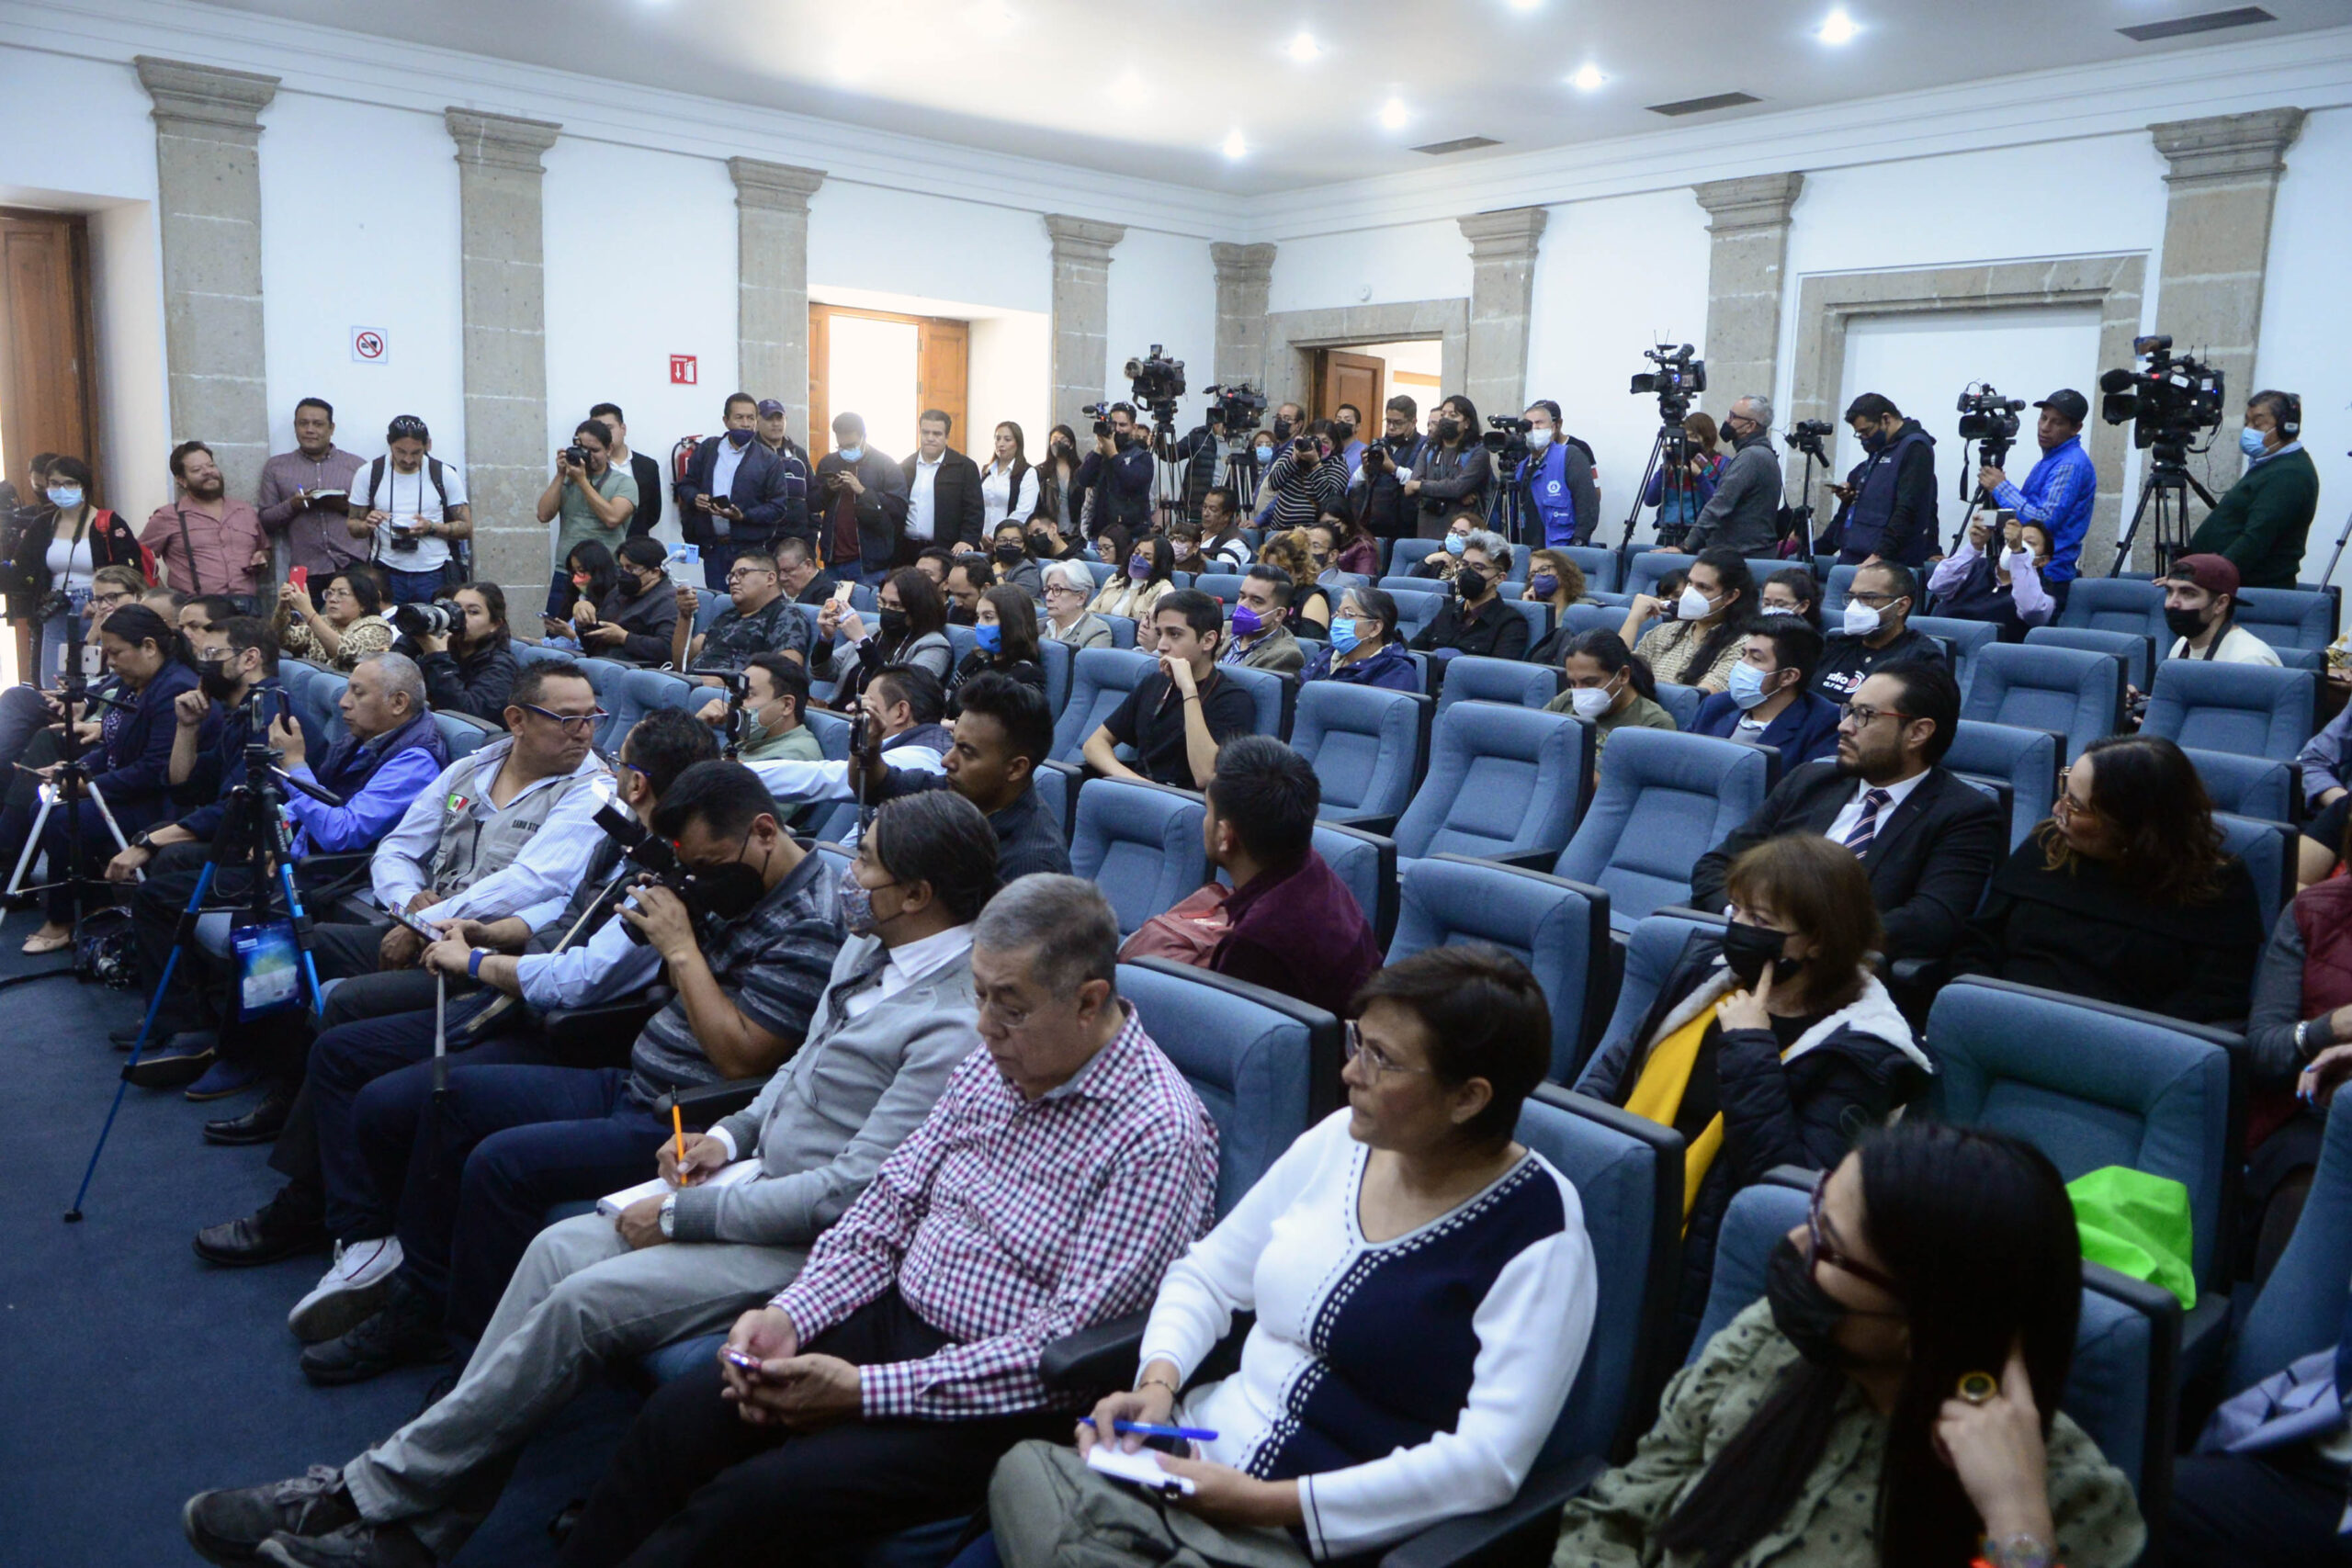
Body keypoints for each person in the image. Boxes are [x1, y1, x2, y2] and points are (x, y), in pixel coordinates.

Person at [184, 789, 1000, 1568]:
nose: (849, 879)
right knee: (549, 1251)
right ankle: (411, 1526)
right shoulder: (872, 945)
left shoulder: (956, 1020)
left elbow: (848, 1195)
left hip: (809, 1241)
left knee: (582, 1302)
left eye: (866, 867)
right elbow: (795, 1074)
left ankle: (369, 1495)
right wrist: (725, 1132)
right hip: (747, 1175)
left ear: (919, 893)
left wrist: (687, 1215)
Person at [551, 874, 1219, 1568]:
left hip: (994, 1399)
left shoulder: (1157, 1134)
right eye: (979, 993)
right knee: (683, 1419)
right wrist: (794, 1313)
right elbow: (887, 1209)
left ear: (1089, 1002)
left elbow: (1063, 1347)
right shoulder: (994, 1063)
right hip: (892, 1318)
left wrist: (861, 1393)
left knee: (750, 1504)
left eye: (1009, 1006)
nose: (984, 1024)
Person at [992, 944, 1598, 1568]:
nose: (1351, 1073)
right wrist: (1157, 1381)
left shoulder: (1538, 1232)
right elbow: (1208, 1274)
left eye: (1381, 1058)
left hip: (1311, 1534)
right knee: (1020, 1471)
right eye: (1358, 1041)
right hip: (1189, 1464)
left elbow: (1487, 1464)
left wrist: (1267, 1501)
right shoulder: (1343, 1139)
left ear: (1468, 1097)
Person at [302, 760, 848, 1379]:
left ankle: (469, 1359)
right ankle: (416, 1291)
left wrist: (682, 945)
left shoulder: (810, 924)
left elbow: (739, 1057)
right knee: (437, 1096)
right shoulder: (733, 879)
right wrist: (678, 913)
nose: (703, 878)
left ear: (767, 831)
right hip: (631, 1080)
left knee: (498, 1163)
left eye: (712, 864)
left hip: (684, 1118)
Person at [186, 708, 684, 1269]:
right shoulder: (491, 774)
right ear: (516, 720)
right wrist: (433, 918)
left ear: (636, 782)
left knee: (348, 1022)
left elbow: (553, 926)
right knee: (284, 946)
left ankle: (315, 1207)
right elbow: (411, 852)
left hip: (529, 998)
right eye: (569, 719)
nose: (588, 735)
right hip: (464, 937)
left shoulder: (608, 819)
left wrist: (466, 951)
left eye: (594, 721)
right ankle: (265, 1076)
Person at [1551, 1122, 2144, 1568]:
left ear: (1923, 1321)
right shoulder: (1767, 1341)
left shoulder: (2067, 1496)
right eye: (1816, 1206)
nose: (1793, 1240)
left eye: (1828, 1245)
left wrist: (2016, 1521)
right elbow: (1618, 1512)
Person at [1579, 834, 1930, 1350]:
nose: (1740, 930)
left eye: (1761, 922)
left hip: (1697, 1264)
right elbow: (1617, 1071)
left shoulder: (1863, 1051)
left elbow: (1784, 1186)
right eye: (1736, 911)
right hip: (1612, 1201)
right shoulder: (1709, 973)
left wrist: (1750, 1047)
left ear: (1817, 941)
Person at [115, 644, 450, 1108]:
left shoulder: (414, 761)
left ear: (398, 704)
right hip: (297, 856)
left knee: (250, 922)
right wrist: (281, 832)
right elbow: (311, 804)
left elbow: (343, 832)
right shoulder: (367, 737)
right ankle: (188, 1023)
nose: (343, 703)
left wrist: (294, 765)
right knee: (166, 876)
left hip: (335, 875)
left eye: (357, 692)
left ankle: (241, 1054)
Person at [1692, 662, 2005, 968]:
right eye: (1848, 710)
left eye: (1865, 715)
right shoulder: (1810, 780)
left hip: (1845, 975)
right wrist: (1749, 923)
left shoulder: (1964, 813)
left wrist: (1805, 938)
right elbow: (1717, 865)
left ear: (1918, 733)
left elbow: (1932, 921)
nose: (1844, 726)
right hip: (1742, 952)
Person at [1952, 734, 2262, 1023]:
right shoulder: (2048, 844)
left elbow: (2212, 1002)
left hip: (2124, 1050)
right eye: (2064, 792)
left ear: (2132, 825)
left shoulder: (2218, 886)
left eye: (2076, 805)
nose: (2057, 809)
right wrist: (1980, 1005)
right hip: (2001, 1019)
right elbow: (1979, 944)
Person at [0, 604, 198, 951]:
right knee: (41, 806)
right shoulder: (132, 682)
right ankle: (91, 899)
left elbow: (154, 770)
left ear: (149, 647)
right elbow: (114, 750)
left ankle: (63, 919)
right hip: (129, 789)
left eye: (116, 653)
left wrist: (85, 785)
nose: (110, 663)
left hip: (160, 801)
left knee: (63, 818)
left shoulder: (174, 688)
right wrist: (74, 771)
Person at [1198, 737, 1381, 1018]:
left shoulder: (1256, 943)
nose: (1204, 821)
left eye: (1207, 810)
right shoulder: (1311, 867)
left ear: (1225, 836)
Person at [854, 670, 1071, 882]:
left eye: (966, 751)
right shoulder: (958, 792)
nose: (946, 761)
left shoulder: (1031, 866)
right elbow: (876, 785)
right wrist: (869, 744)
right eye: (953, 742)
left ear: (1016, 769)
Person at [1084, 590, 1256, 791]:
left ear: (1208, 641)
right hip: (1140, 793)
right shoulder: (1154, 683)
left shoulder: (1233, 699)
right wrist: (1137, 783)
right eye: (1160, 634)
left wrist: (1189, 689)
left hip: (1187, 806)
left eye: (1174, 634)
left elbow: (1205, 775)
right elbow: (1094, 745)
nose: (1162, 645)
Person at [11, 454, 143, 681]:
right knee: (54, 680)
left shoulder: (108, 523)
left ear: (83, 485)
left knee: (95, 678)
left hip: (99, 609)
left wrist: (106, 603)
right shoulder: (44, 523)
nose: (61, 489)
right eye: (55, 483)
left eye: (69, 483)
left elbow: (130, 572)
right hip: (55, 608)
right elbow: (23, 567)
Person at [2186, 389, 2321, 589]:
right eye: (2247, 423)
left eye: (2258, 424)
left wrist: (2206, 580)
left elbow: (2256, 538)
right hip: (2233, 587)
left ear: (2287, 428)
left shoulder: (2290, 474)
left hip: (2253, 591)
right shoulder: (2271, 465)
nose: (2249, 430)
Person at [674, 392, 808, 589]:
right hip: (713, 548)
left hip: (749, 550)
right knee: (719, 605)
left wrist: (742, 516)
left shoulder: (768, 460)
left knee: (749, 604)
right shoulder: (708, 450)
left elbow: (778, 508)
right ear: (726, 421)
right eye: (739, 418)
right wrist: (695, 498)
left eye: (750, 418)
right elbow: (685, 485)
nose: (745, 424)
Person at [1978, 389, 2098, 598]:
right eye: (2043, 418)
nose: (2045, 427)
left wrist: (2001, 487)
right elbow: (2026, 513)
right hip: (2028, 569)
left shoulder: (2069, 464)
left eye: (2057, 422)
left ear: (2076, 428)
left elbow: (2044, 519)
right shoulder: (2052, 460)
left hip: (2048, 576)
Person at [344, 415, 472, 606]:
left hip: (434, 572)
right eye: (400, 451)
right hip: (386, 572)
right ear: (389, 443)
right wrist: (367, 525)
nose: (408, 459)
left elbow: (467, 529)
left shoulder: (444, 474)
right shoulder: (369, 473)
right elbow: (353, 527)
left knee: (435, 630)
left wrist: (431, 528)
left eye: (416, 452)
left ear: (428, 445)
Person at [1693, 615, 1842, 773]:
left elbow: (1803, 789)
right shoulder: (1715, 707)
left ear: (1788, 677)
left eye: (1756, 658)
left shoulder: (1824, 724)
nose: (1741, 664)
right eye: (1743, 655)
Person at [256, 397, 370, 591]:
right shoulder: (276, 467)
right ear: (295, 426)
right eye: (303, 423)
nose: (310, 430)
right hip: (304, 566)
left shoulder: (357, 466)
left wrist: (346, 508)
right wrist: (293, 505)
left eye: (318, 424)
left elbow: (373, 517)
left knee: (359, 620)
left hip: (353, 563)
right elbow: (265, 521)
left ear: (331, 428)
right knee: (298, 618)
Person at [143, 440, 268, 610]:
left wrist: (262, 556)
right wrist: (160, 596)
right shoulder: (168, 516)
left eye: (211, 465)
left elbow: (265, 548)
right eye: (197, 470)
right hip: (197, 610)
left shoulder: (244, 510)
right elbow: (139, 558)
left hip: (247, 607)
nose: (208, 472)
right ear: (182, 480)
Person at [536, 418, 638, 615]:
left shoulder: (624, 483)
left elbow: (612, 518)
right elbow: (543, 515)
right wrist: (560, 475)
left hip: (605, 575)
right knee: (557, 633)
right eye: (581, 448)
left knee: (597, 632)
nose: (587, 456)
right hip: (567, 572)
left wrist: (582, 481)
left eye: (594, 450)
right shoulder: (566, 479)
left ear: (609, 449)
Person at [1622, 547, 1753, 693]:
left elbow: (1693, 700)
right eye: (1690, 583)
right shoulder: (1664, 632)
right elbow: (1618, 679)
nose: (1690, 593)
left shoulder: (1744, 645)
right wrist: (1633, 620)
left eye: (1703, 587)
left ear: (1730, 596)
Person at [822, 567, 952, 711]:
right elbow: (824, 672)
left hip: (882, 723)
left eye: (896, 605)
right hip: (840, 712)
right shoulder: (873, 630)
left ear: (918, 609)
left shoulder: (934, 645)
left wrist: (862, 643)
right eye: (883, 602)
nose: (887, 609)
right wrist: (826, 639)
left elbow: (903, 691)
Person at [1815, 561, 1948, 701]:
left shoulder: (1921, 658)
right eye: (1852, 597)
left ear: (1901, 606)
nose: (1855, 607)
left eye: (1868, 598)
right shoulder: (1834, 643)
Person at [1544, 629, 1677, 769]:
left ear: (1623, 675)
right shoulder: (1566, 700)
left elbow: (1629, 788)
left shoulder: (1653, 723)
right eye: (1573, 683)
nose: (1579, 691)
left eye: (1590, 683)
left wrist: (1564, 764)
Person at [1835, 392, 1939, 568]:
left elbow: (1908, 507)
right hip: (1856, 549)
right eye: (1859, 434)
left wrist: (1879, 555)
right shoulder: (1881, 449)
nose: (1864, 439)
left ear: (1886, 419)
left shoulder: (1914, 447)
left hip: (1887, 560)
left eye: (1866, 431)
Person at [673, 550, 811, 682]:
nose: (733, 581)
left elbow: (788, 675)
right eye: (731, 576)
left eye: (742, 573)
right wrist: (684, 615)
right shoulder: (727, 615)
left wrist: (729, 684)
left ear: (770, 578)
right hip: (694, 686)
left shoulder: (787, 615)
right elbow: (682, 662)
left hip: (731, 695)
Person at [1672, 395, 1780, 557]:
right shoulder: (1761, 454)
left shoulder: (1751, 457)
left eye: (1733, 417)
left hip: (1735, 557)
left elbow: (1719, 504)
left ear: (1750, 426)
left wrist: (1685, 547)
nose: (1727, 420)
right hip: (1737, 552)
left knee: (1647, 563)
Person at [815, 412, 911, 584]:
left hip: (869, 563)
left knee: (866, 609)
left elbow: (899, 508)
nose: (845, 451)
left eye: (851, 445)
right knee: (832, 610)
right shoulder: (828, 462)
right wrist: (828, 489)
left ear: (864, 437)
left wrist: (863, 491)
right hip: (833, 560)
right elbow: (813, 503)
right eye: (841, 447)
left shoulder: (886, 465)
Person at [1928, 518, 2056, 642]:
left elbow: (2031, 610)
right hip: (1939, 641)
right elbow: (1937, 585)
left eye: (2030, 543)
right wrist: (1974, 547)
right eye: (2016, 539)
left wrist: (2019, 553)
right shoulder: (1976, 566)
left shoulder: (2042, 592)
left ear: (2043, 560)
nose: (2017, 543)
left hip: (1985, 654)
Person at [887, 408, 985, 562]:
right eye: (926, 433)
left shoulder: (964, 467)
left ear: (947, 437)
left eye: (937, 434)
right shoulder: (904, 467)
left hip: (946, 549)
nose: (930, 438)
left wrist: (968, 540)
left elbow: (974, 509)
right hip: (907, 549)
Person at [1411, 531, 1528, 660]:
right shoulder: (1447, 613)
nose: (1467, 573)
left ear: (1499, 578)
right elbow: (1413, 652)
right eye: (1465, 564)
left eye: (1478, 567)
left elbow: (1497, 674)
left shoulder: (1510, 623)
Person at [413, 581, 517, 722]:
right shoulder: (448, 651)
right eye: (455, 609)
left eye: (473, 612)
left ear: (495, 624)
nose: (460, 618)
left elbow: (470, 715)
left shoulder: (501, 665)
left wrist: (437, 658)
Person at [2160, 551, 2281, 666]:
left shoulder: (2250, 659)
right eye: (2169, 592)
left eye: (2188, 594)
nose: (2171, 603)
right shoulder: (2181, 645)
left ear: (2221, 604)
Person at [574, 536, 681, 666]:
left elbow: (668, 648)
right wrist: (583, 621)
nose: (624, 574)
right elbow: (593, 639)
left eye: (631, 569)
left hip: (636, 671)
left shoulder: (668, 600)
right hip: (600, 662)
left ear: (655, 572)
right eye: (622, 567)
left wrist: (624, 638)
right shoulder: (619, 592)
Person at [1401, 394, 1492, 538]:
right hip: (1427, 530)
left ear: (1467, 423)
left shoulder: (1478, 453)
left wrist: (1422, 486)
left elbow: (1457, 488)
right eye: (1443, 415)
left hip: (1462, 534)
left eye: (1453, 415)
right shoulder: (1429, 450)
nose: (1446, 419)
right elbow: (1410, 488)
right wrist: (1455, 496)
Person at [1076, 402, 1155, 561]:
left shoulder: (1142, 457)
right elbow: (1083, 479)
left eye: (1123, 425)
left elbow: (1131, 482)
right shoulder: (1100, 454)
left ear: (1134, 426)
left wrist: (1112, 453)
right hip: (1099, 535)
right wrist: (1099, 449)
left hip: (1130, 536)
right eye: (1114, 424)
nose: (1117, 429)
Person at [1516, 399, 1600, 547]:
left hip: (1560, 549)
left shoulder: (1570, 456)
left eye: (1539, 423)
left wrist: (1579, 542)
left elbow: (1588, 504)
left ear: (1554, 427)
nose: (1534, 428)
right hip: (1526, 547)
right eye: (1529, 425)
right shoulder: (1522, 466)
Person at [273, 570, 393, 671]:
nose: (333, 599)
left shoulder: (377, 625)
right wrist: (282, 607)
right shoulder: (324, 621)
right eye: (329, 593)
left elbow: (346, 651)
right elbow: (281, 639)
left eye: (342, 594)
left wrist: (308, 612)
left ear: (363, 603)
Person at [1302, 585, 1417, 691]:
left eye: (1348, 615)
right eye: (1337, 614)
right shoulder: (1328, 655)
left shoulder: (1395, 671)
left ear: (1375, 628)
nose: (1337, 621)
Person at [1348, 394, 1429, 543]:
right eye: (1388, 422)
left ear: (1413, 422)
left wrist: (1392, 468)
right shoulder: (1380, 444)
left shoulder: (1425, 445)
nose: (1391, 428)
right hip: (1373, 523)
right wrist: (1365, 470)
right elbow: (1354, 482)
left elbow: (1421, 482)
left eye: (1398, 423)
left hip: (1405, 527)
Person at [1643, 412, 1724, 549]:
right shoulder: (1674, 463)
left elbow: (1717, 504)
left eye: (1693, 436)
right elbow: (1649, 500)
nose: (1687, 441)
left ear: (1707, 439)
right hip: (1667, 532)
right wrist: (1664, 468)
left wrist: (1699, 476)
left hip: (1700, 535)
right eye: (1684, 436)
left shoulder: (1718, 465)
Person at [588, 402, 665, 543]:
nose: (604, 434)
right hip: (597, 546)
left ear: (623, 429)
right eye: (598, 430)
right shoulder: (588, 467)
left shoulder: (648, 466)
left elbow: (653, 513)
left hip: (636, 547)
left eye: (609, 428)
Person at [1086, 535, 1177, 651]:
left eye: (1147, 557)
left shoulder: (1161, 587)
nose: (1138, 559)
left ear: (1159, 563)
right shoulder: (1116, 579)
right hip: (1099, 639)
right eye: (1137, 553)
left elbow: (1167, 598)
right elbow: (1091, 611)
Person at [953, 586, 1047, 698]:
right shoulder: (976, 659)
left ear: (1012, 623)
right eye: (978, 617)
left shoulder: (1027, 674)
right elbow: (948, 699)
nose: (979, 625)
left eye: (988, 617)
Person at [1260, 421, 1350, 532]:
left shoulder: (1337, 463)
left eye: (1325, 442)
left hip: (1313, 532)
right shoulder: (1293, 452)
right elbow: (1273, 483)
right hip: (1281, 530)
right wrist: (1294, 459)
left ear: (1334, 445)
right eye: (1314, 440)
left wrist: (1315, 463)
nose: (1318, 445)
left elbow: (1329, 499)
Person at [1221, 564, 1306, 675]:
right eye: (1242, 597)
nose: (1243, 605)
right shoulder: (1223, 629)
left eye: (1256, 601)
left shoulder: (1286, 655)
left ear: (1279, 614)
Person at [1257, 528, 1334, 637]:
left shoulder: (1313, 600)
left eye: (1282, 570)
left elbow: (1308, 648)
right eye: (1269, 569)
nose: (1273, 575)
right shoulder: (1258, 590)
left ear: (1300, 571)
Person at [1031, 424, 1087, 545]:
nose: (1059, 443)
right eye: (1055, 440)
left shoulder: (1081, 470)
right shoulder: (1041, 471)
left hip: (1075, 532)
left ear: (1071, 444)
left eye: (1063, 440)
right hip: (1050, 530)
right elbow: (1037, 505)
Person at [1039, 559, 1113, 651]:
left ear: (1081, 598)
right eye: (1047, 589)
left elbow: (1085, 665)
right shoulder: (1038, 627)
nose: (1048, 597)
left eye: (1057, 590)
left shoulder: (1096, 632)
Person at [979, 421, 1039, 532]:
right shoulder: (985, 471)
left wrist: (997, 535)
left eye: (1007, 440)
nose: (1001, 444)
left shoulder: (1027, 472)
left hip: (1009, 538)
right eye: (998, 439)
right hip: (981, 537)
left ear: (1018, 443)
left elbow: (1024, 511)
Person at [1306, 511, 1378, 584]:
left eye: (1316, 546)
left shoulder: (1346, 584)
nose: (1307, 550)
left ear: (1333, 555)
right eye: (1306, 545)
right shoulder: (1297, 580)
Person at [775, 536, 842, 607]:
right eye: (778, 572)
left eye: (788, 571)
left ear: (808, 565)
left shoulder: (828, 594)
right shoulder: (777, 593)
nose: (782, 578)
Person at [1199, 485, 1253, 571]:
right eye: (1204, 507)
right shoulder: (1195, 531)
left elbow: (1223, 571)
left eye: (1212, 509)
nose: (1205, 513)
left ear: (1227, 515)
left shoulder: (1235, 543)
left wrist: (1196, 555)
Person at [990, 519, 1045, 599]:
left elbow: (1012, 603)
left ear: (1024, 547)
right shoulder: (984, 564)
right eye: (1002, 540)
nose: (1008, 544)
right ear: (994, 545)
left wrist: (998, 576)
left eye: (1016, 541)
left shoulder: (1028, 570)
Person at [1762, 564, 1824, 630]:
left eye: (1781, 605)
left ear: (1803, 606)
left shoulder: (1808, 638)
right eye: (1767, 603)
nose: (1771, 610)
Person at [944, 551, 993, 626]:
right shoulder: (955, 613)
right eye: (953, 595)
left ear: (985, 589)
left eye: (963, 596)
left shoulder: (1006, 620)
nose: (957, 603)